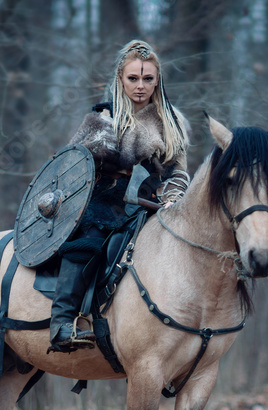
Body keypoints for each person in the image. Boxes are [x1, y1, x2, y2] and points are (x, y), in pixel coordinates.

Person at [49, 40, 191, 353]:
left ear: (158, 80)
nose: (141, 86)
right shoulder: (100, 120)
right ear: (120, 78)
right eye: (133, 78)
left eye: (148, 79)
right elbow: (69, 167)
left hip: (150, 204)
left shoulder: (169, 123)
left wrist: (173, 197)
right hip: (97, 202)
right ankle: (62, 322)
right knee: (91, 235)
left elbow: (177, 173)